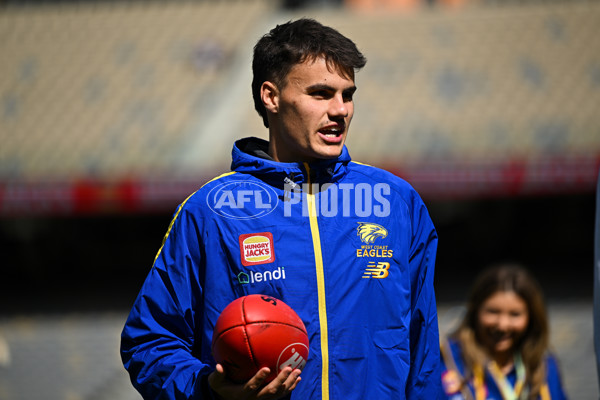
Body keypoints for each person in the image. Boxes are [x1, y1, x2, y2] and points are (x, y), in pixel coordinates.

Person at [121, 18, 442, 399]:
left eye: (348, 94)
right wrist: (210, 391)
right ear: (271, 97)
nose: (340, 110)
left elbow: (424, 355)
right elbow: (149, 342)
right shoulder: (210, 210)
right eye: (321, 94)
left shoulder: (396, 201)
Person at [440, 264, 568, 400]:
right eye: (493, 312)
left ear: (532, 318)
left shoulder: (543, 367)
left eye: (515, 314)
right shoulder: (447, 361)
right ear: (475, 311)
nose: (502, 325)